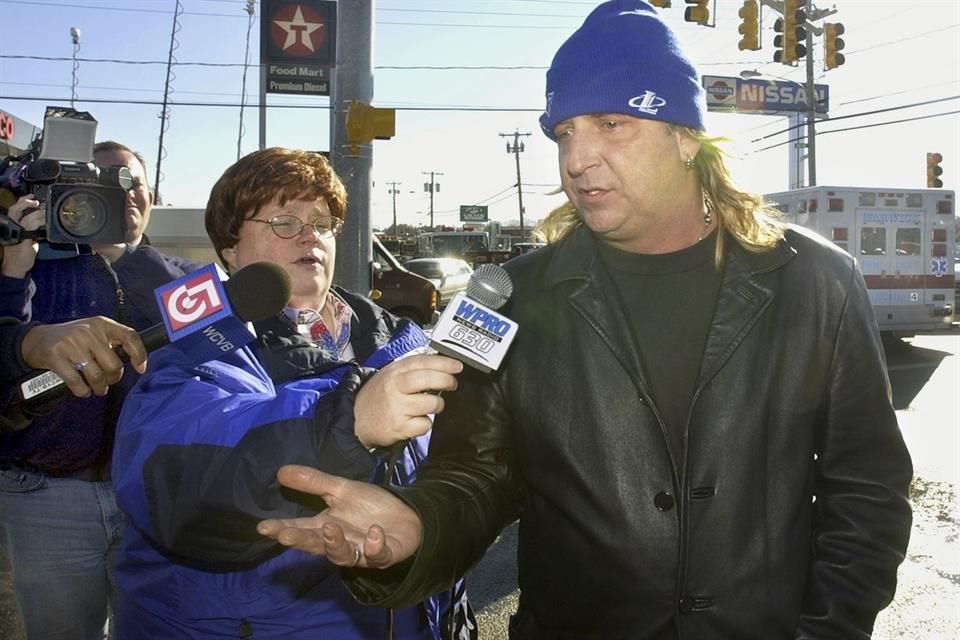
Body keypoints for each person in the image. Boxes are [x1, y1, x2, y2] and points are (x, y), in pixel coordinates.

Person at [257, 2, 914, 639]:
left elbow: (867, 492)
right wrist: (416, 530)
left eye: (610, 124)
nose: (577, 158)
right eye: (564, 131)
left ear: (688, 138)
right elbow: (473, 476)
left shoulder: (817, 283)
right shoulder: (506, 297)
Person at [110, 147, 475, 639]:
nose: (309, 234)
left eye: (322, 222)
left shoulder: (397, 341)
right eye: (283, 220)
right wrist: (347, 421)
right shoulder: (193, 346)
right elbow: (182, 484)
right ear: (230, 249)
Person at [0, 141, 198, 640]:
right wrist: (13, 269)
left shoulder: (183, 280)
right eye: (104, 179)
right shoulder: (31, 269)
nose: (122, 191)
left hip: (152, 496)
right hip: (46, 496)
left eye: (132, 181)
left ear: (151, 194)